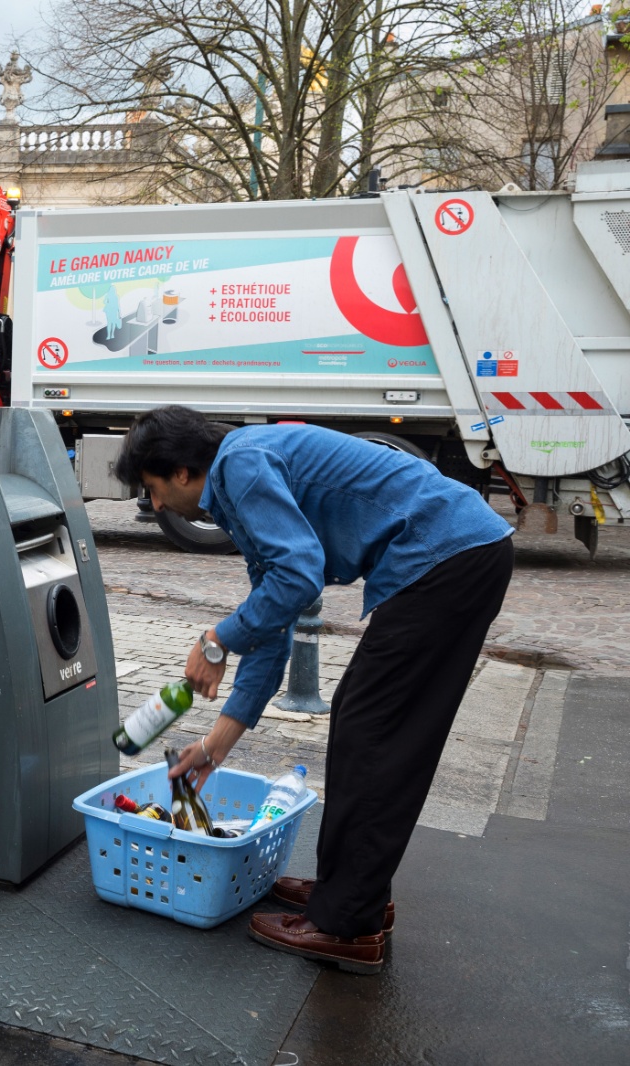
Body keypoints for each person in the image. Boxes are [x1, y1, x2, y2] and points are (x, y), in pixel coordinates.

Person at [114, 406, 514, 975]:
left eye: (151, 490)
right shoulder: (240, 478)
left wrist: (214, 640)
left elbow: (297, 577)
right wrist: (215, 745)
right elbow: (276, 621)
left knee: (374, 736)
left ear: (181, 472)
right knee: (361, 721)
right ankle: (347, 892)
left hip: (446, 554)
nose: (154, 506)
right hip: (450, 552)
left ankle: (347, 922)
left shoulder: (242, 466)